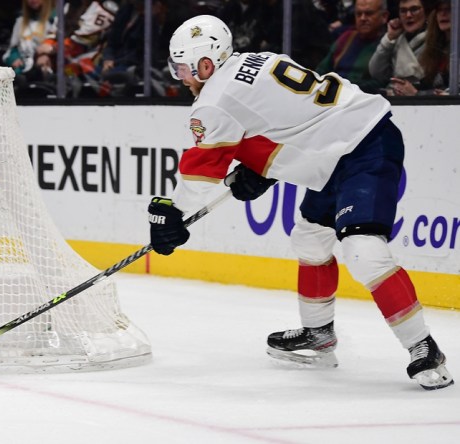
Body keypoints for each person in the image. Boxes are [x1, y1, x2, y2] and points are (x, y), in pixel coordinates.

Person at [148, 15, 453, 390]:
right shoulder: (257, 60)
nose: (181, 77)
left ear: (206, 64)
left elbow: (200, 172)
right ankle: (318, 335)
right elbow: (297, 119)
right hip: (337, 151)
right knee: (309, 238)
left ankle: (423, 348)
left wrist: (172, 213)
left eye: (183, 68)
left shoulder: (214, 100)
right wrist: (261, 168)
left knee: (363, 250)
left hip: (364, 147)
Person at [314, 0, 389, 94]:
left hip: (365, 99)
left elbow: (382, 82)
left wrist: (342, 88)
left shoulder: (388, 44)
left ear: (384, 16)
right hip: (333, 98)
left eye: (369, 13)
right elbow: (320, 72)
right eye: (358, 14)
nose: (363, 18)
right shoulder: (346, 38)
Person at [391, 0, 453, 95]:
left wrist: (416, 93)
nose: (443, 13)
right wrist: (404, 88)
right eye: (439, 10)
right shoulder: (435, 47)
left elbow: (453, 94)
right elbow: (428, 84)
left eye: (449, 9)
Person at [368, 0, 428, 94]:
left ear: (426, 12)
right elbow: (377, 73)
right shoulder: (396, 39)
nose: (408, 15)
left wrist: (416, 93)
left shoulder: (436, 40)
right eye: (403, 11)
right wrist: (389, 38)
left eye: (414, 9)